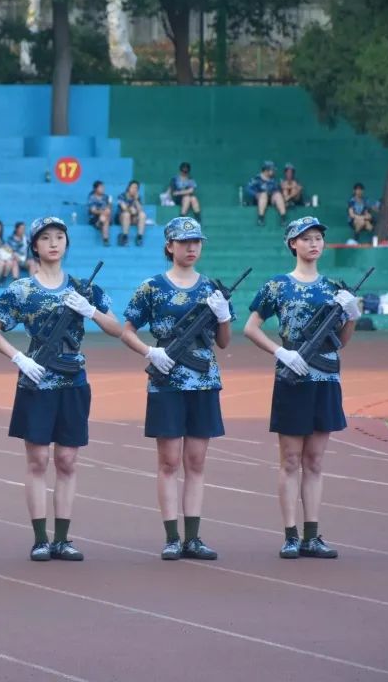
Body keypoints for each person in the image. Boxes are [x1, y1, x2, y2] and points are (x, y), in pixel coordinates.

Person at [0, 217, 121, 561]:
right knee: (38, 460)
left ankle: (62, 539)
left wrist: (90, 310)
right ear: (35, 246)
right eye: (46, 238)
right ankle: (40, 539)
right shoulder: (22, 290)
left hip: (73, 382)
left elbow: (117, 328)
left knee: (67, 460)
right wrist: (19, 358)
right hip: (37, 382)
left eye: (60, 237)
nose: (54, 243)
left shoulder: (82, 288)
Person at [244, 216, 361, 560]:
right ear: (292, 243)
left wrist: (352, 315)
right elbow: (251, 327)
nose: (314, 244)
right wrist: (281, 352)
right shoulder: (277, 286)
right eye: (306, 238)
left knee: (315, 461)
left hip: (325, 380)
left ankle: (312, 535)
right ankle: (291, 535)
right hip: (292, 379)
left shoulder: (335, 289)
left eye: (318, 238)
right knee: (291, 460)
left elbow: (341, 341)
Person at [121, 217, 232, 561]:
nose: (191, 248)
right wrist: (150, 352)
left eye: (196, 242)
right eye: (184, 242)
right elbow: (127, 330)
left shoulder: (211, 288)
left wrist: (224, 315)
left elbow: (224, 342)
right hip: (166, 382)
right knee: (169, 461)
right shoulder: (152, 287)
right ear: (169, 246)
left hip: (203, 382)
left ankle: (193, 538)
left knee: (195, 461)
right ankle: (172, 537)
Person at [246, 160, 286, 227]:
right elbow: (248, 188)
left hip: (271, 200)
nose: (273, 171)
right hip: (260, 199)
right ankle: (260, 218)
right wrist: (255, 194)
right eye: (272, 170)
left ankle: (283, 218)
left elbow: (277, 190)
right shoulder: (257, 179)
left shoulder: (273, 180)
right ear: (266, 170)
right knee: (264, 194)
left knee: (278, 195)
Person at [115, 180, 147, 246]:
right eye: (132, 187)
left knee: (142, 215)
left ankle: (139, 237)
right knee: (126, 214)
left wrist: (136, 200)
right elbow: (124, 208)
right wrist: (130, 210)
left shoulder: (138, 197)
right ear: (128, 187)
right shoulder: (121, 196)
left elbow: (140, 210)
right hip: (122, 218)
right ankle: (124, 237)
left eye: (136, 188)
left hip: (133, 219)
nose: (134, 189)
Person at [87, 180, 113, 247]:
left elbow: (109, 209)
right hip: (94, 217)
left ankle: (99, 224)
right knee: (104, 218)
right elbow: (93, 210)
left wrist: (110, 205)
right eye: (101, 187)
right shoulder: (91, 197)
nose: (103, 189)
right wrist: (103, 212)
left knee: (105, 218)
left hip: (106, 216)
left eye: (103, 187)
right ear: (95, 189)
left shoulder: (106, 197)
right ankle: (106, 240)